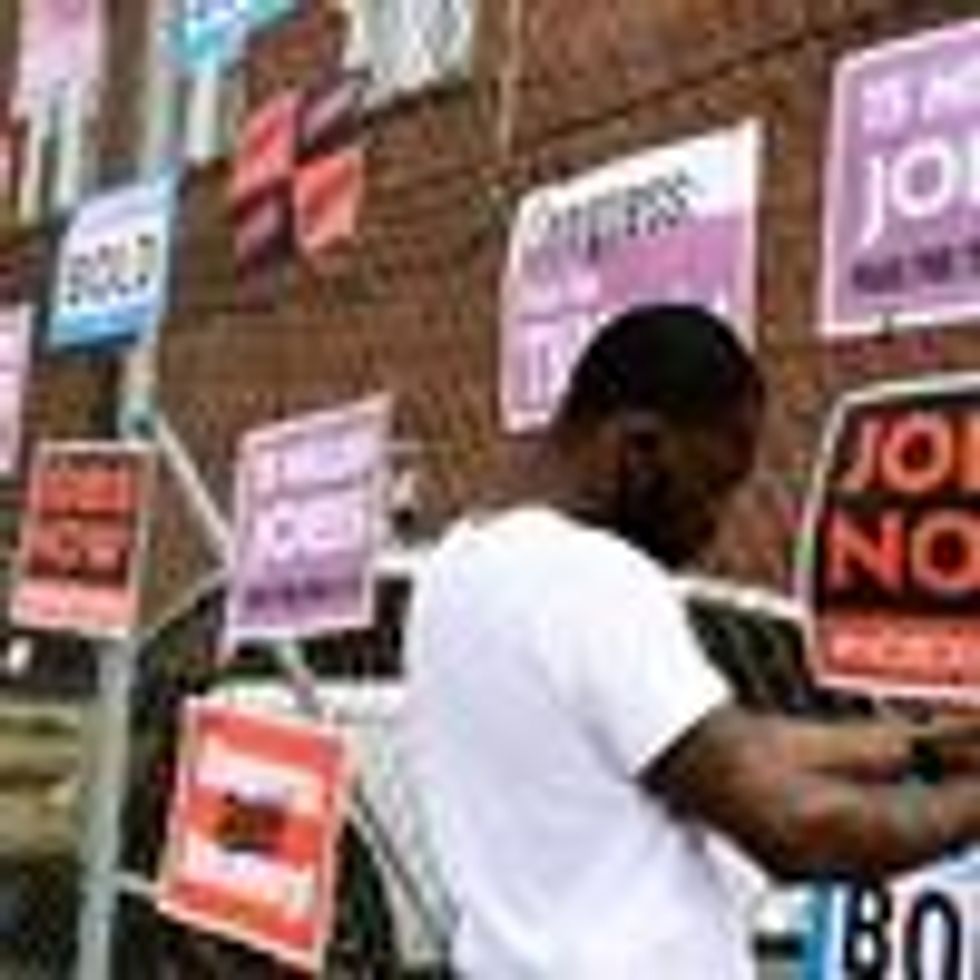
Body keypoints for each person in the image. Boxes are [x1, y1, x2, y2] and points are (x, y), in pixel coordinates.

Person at [405, 303, 980, 979]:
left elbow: (715, 748)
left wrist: (918, 749)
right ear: (639, 449)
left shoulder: (457, 566)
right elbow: (798, 831)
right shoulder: (592, 579)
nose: (713, 526)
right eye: (712, 489)